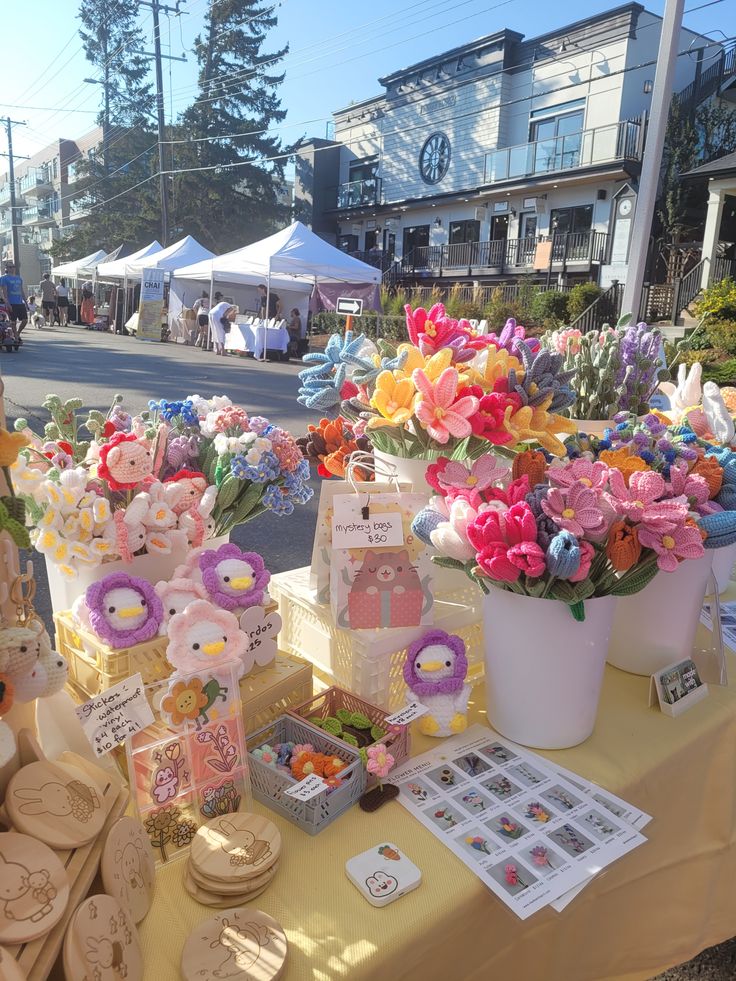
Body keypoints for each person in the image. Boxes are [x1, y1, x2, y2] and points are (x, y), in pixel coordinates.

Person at [0, 261, 29, 342]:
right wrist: (7, 302)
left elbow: (21, 290)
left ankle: (17, 333)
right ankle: (16, 338)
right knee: (13, 322)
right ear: (6, 268)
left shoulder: (19, 278)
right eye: (9, 267)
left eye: (13, 266)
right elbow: (4, 292)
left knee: (25, 320)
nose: (12, 268)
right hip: (11, 303)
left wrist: (26, 302)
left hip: (20, 302)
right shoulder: (4, 278)